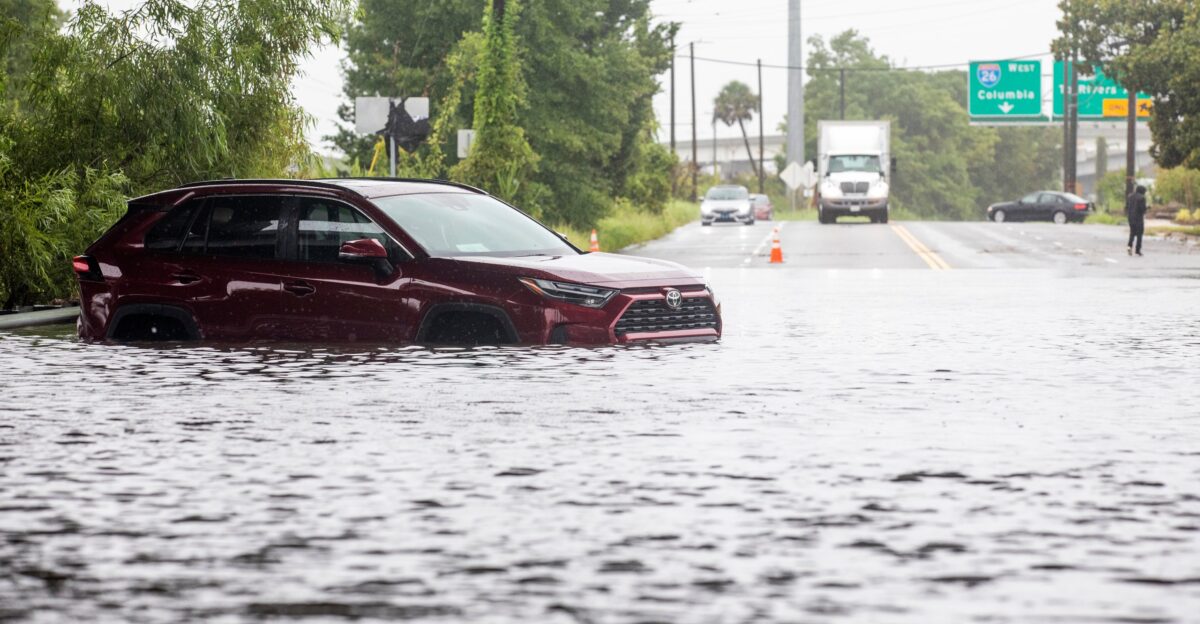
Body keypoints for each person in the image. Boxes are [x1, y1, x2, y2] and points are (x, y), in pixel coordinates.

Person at [1126, 184, 1147, 256]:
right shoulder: (1141, 198)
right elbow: (1142, 209)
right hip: (1138, 218)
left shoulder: (1130, 196)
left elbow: (1126, 207)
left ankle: (1129, 246)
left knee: (1132, 233)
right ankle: (1137, 250)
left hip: (1130, 218)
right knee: (1139, 234)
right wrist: (1146, 209)